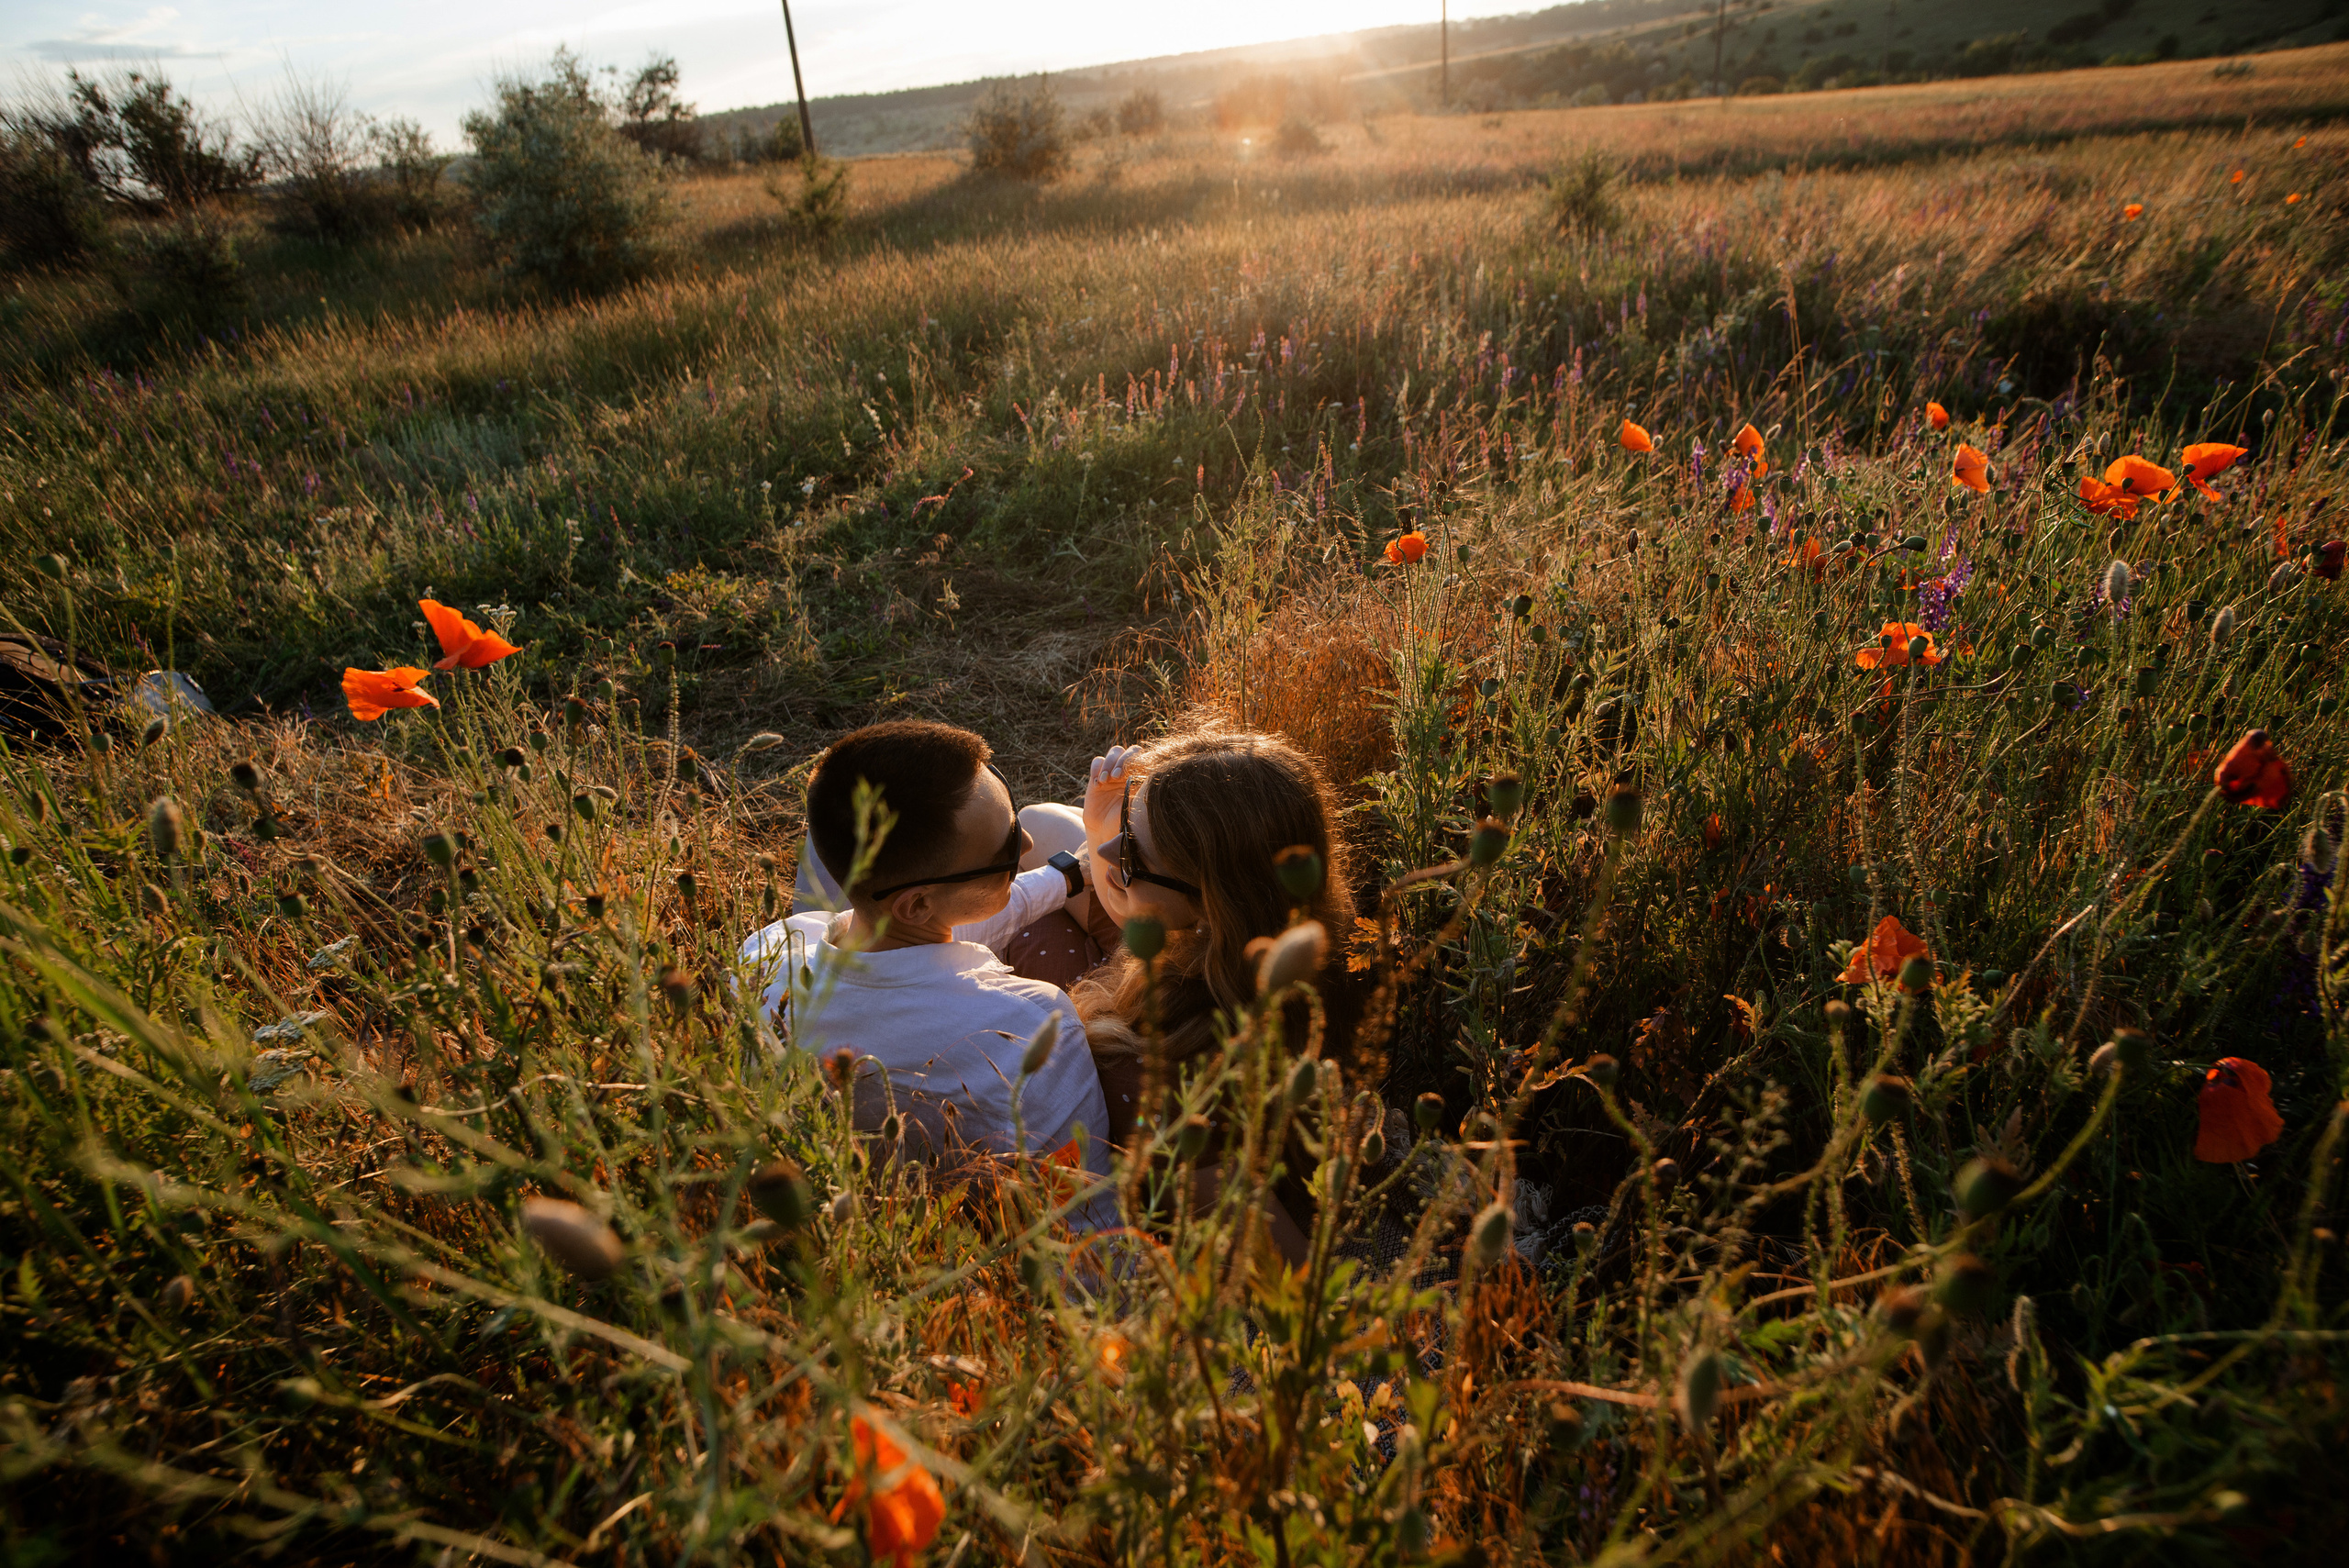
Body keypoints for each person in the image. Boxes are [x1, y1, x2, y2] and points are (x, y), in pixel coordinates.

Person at [740, 719, 1116, 1230]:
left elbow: (945, 924)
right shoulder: (1029, 1030)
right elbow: (1086, 1218)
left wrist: (1066, 874)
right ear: (917, 904)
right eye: (1005, 849)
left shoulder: (771, 950)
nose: (1026, 841)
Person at [1067, 719, 1360, 1263]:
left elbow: (1284, 1269)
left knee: (1046, 872)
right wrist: (1099, 826)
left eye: (1131, 853)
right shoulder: (1265, 945)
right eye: (1129, 823)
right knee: (1048, 828)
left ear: (1211, 903)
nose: (1107, 851)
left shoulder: (1186, 1086)